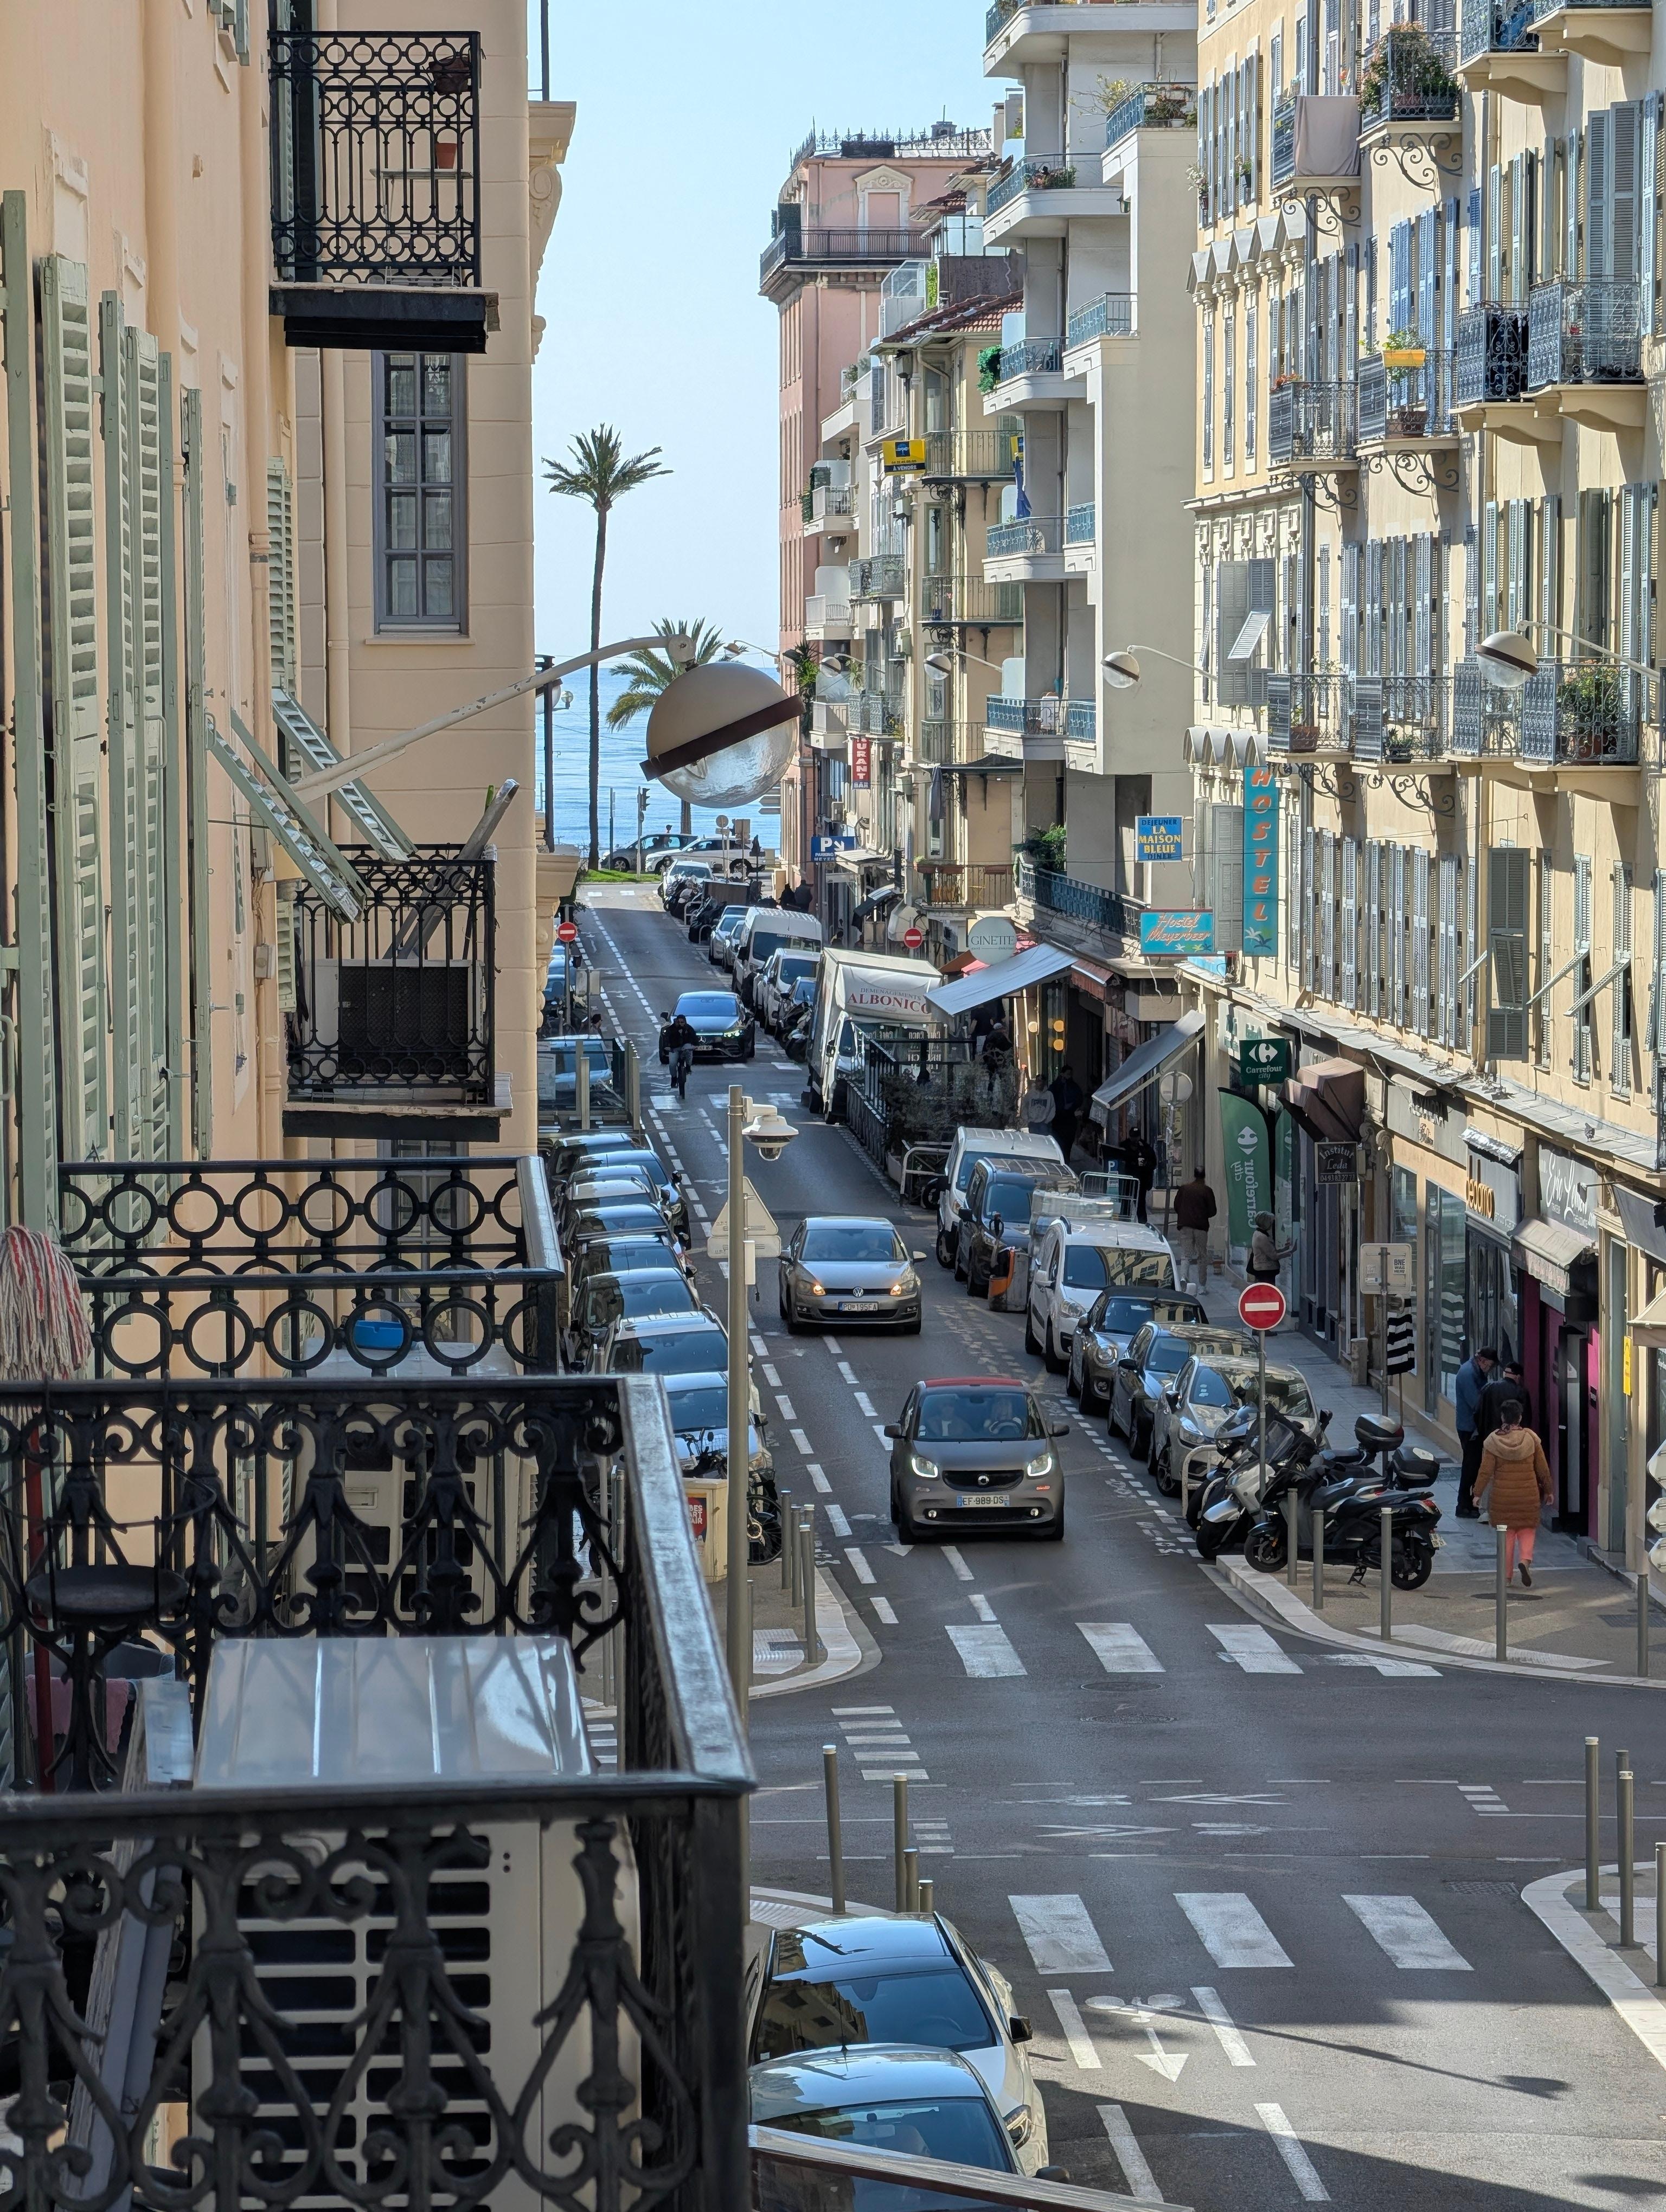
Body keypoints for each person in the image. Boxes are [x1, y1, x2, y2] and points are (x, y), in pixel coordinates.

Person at [1473, 1397, 1552, 1586]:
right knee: (1527, 1530)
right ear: (1520, 1417)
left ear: (1503, 1417)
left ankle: (1507, 1578)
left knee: (1506, 1537)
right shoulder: (1531, 1439)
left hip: (1503, 1497)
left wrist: (1477, 1493)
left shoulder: (1493, 1441)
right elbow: (1542, 1468)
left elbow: (1485, 1471)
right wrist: (1549, 1490)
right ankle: (1525, 1561)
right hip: (1528, 1495)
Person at [1453, 1345, 1498, 1518]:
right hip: (1469, 1428)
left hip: (1471, 1427)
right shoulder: (1468, 1374)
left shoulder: (1475, 1371)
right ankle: (1463, 1506)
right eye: (1491, 1365)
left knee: (1474, 1466)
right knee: (1470, 1468)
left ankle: (1470, 1504)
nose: (1490, 1369)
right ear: (1482, 1361)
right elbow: (1477, 1403)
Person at [1174, 1167, 1218, 1293]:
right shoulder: (1207, 1191)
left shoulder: (1184, 1189)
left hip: (1185, 1225)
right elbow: (1213, 1211)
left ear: (1194, 1175)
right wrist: (1203, 1214)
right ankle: (1202, 1286)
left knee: (1186, 1255)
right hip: (1201, 1227)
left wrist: (1184, 1215)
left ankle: (1183, 1278)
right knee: (1202, 1256)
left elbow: (1177, 1206)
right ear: (1204, 1176)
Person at [1476, 1359, 1532, 1443]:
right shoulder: (1521, 1393)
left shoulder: (1488, 1388)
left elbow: (1477, 1413)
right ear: (1518, 1377)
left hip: (1491, 1439)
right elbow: (1527, 1419)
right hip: (1513, 1440)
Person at [660, 1009, 698, 1102]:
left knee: (689, 1051)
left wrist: (695, 1046)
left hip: (685, 1047)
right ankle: (674, 1078)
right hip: (674, 1048)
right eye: (679, 1022)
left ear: (685, 1022)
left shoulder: (689, 1029)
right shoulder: (672, 1029)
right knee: (672, 1064)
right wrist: (667, 1047)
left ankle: (688, 1067)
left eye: (683, 1022)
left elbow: (694, 1038)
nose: (681, 1024)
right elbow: (666, 1039)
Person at [1246, 1209, 1293, 1283]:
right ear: (1266, 1223)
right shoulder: (1262, 1237)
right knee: (1268, 1289)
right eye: (1271, 1222)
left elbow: (1270, 1251)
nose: (1272, 1225)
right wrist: (1290, 1252)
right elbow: (1274, 1256)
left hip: (1262, 1269)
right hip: (1265, 1270)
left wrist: (1285, 1248)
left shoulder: (1257, 1234)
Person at [1120, 1128, 1156, 1223]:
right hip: (1127, 1181)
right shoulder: (1124, 1146)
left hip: (1141, 1181)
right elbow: (1120, 1159)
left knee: (1140, 1204)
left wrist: (1145, 1165)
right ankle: (1124, 1222)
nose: (1135, 1140)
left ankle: (1142, 1224)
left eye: (1136, 1137)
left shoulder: (1145, 1148)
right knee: (1126, 1202)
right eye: (1133, 1137)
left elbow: (1153, 1163)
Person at [1050, 1065, 1085, 1162]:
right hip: (1058, 1119)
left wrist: (1072, 1107)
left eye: (1070, 1074)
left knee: (1068, 1143)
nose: (1069, 1076)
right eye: (1067, 1074)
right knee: (1059, 1143)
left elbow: (1079, 1099)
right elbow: (1051, 1097)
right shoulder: (1056, 1086)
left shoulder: (1073, 1086)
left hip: (1069, 1119)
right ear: (1062, 1074)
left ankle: (1066, 1161)